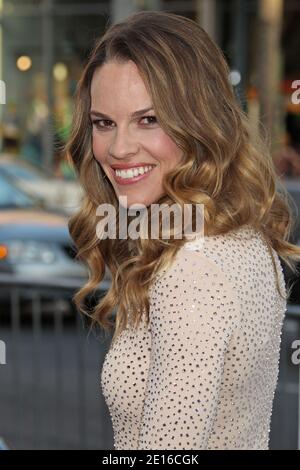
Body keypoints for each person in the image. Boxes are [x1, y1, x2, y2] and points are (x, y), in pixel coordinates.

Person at [64, 11, 300, 450]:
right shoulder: (244, 240)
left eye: (149, 119)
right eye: (103, 123)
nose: (118, 148)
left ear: (199, 121)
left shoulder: (192, 268)